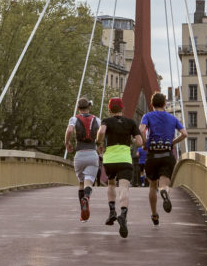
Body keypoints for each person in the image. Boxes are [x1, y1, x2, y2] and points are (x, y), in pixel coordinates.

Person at [96, 97, 143, 238]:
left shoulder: (106, 121)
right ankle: (123, 214)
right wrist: (132, 140)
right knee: (124, 187)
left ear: (110, 109)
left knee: (111, 184)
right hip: (125, 160)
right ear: (122, 108)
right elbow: (140, 142)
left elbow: (102, 132)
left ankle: (112, 212)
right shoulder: (130, 123)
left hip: (110, 159)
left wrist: (99, 142)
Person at [139, 92, 187, 226]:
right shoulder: (172, 118)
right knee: (164, 184)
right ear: (165, 104)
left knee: (152, 186)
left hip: (153, 155)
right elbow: (184, 134)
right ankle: (165, 192)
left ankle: (154, 215)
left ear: (152, 104)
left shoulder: (147, 116)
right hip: (167, 154)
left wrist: (144, 143)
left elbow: (141, 129)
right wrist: (173, 142)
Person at [64, 97, 101, 222]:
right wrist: (100, 145)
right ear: (89, 107)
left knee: (81, 183)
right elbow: (102, 133)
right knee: (88, 182)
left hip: (79, 155)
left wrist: (67, 142)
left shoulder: (74, 119)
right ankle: (87, 196)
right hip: (92, 154)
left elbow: (69, 129)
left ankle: (82, 213)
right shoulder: (97, 120)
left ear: (78, 108)